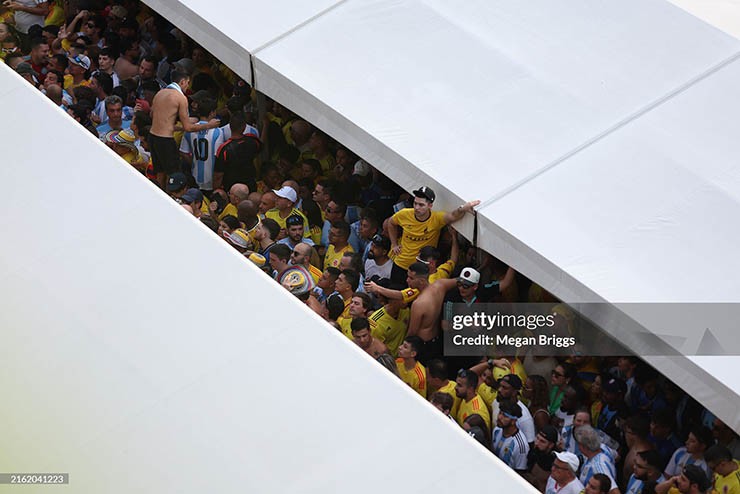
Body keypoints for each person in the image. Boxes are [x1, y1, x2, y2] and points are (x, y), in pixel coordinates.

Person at [387, 185, 479, 283]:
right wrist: (394, 244)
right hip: (401, 264)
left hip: (422, 271)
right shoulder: (404, 214)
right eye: (415, 203)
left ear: (430, 206)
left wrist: (462, 208)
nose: (416, 208)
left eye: (421, 205)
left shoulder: (436, 218)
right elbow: (391, 223)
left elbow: (453, 216)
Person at [149, 67, 220, 189]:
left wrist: (179, 127)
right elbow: (188, 128)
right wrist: (209, 125)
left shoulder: (160, 93)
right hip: (165, 140)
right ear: (182, 82)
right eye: (187, 83)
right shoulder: (180, 98)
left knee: (160, 172)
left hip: (153, 136)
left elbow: (154, 117)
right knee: (174, 175)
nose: (188, 87)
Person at [179, 96, 224, 192]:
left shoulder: (190, 130)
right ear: (212, 113)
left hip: (195, 178)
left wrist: (194, 163)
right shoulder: (217, 132)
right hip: (211, 181)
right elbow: (218, 156)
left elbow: (183, 152)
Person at [214, 112, 260, 191]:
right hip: (250, 185)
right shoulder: (252, 141)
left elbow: (218, 175)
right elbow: (260, 149)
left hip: (231, 189)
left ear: (230, 127)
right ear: (244, 127)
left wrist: (215, 189)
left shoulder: (224, 149)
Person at [368, 279, 409, 357]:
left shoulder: (406, 311)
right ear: (392, 301)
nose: (406, 301)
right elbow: (375, 348)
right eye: (402, 299)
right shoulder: (376, 323)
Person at [492, 373, 536, 445]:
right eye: (500, 386)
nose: (499, 390)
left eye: (505, 388)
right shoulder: (497, 402)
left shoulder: (524, 417)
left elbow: (530, 443)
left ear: (514, 392)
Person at [576, 425, 619, 494]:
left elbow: (614, 491)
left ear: (584, 447)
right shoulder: (604, 447)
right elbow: (617, 456)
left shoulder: (599, 466)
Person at [491, 400, 529, 472]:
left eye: (505, 416)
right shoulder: (497, 430)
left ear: (513, 421)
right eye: (500, 413)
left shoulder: (520, 446)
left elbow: (520, 472)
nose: (499, 417)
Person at [524, 425, 559, 492]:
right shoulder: (533, 451)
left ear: (551, 445)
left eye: (542, 441)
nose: (537, 443)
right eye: (537, 438)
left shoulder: (555, 463)